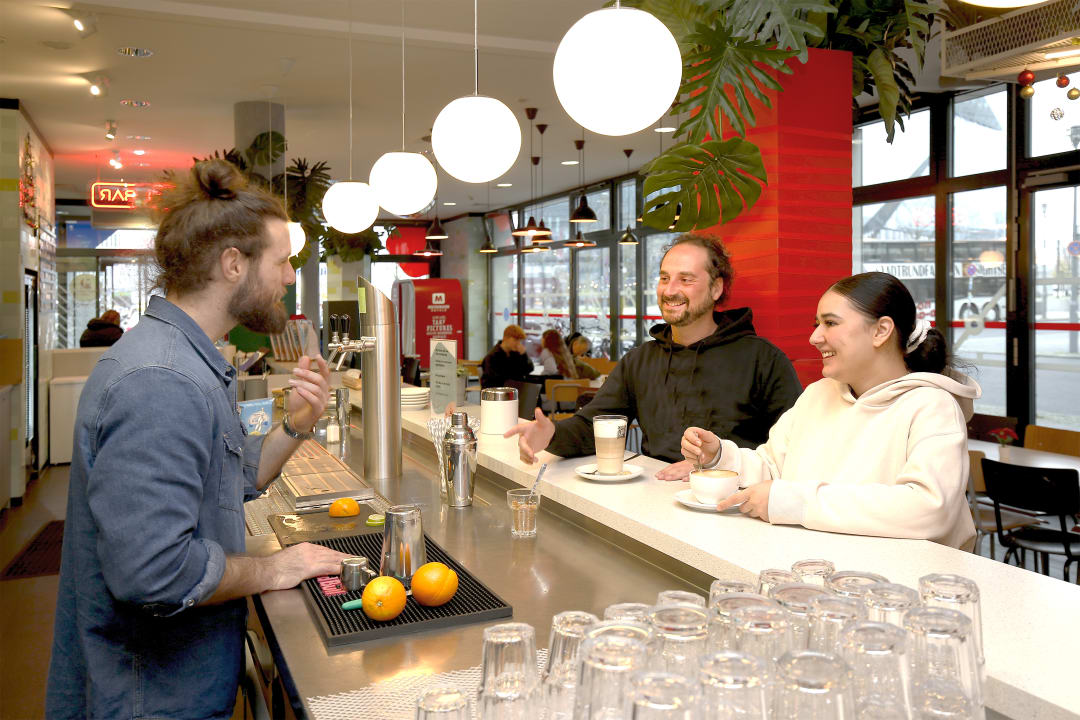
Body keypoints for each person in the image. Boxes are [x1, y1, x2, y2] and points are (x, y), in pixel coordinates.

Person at [46, 160, 352, 719]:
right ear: (233, 264)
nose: (288, 278)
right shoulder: (160, 382)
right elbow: (156, 573)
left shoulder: (185, 362)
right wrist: (274, 569)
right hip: (152, 699)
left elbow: (231, 480)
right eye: (281, 262)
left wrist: (296, 425)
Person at [680, 272, 980, 550]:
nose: (815, 337)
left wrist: (794, 503)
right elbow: (773, 469)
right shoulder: (817, 394)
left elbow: (929, 508)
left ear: (881, 331)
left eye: (831, 323)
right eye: (817, 324)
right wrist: (721, 456)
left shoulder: (932, 406)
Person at [506, 234, 802, 477]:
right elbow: (593, 426)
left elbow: (794, 449)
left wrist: (717, 465)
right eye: (664, 278)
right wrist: (551, 434)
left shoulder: (763, 360)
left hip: (734, 506)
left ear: (716, 288)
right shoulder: (640, 360)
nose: (670, 290)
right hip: (654, 498)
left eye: (686, 280)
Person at [481, 324, 534, 388]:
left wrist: (524, 355)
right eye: (515, 340)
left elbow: (529, 369)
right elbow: (497, 379)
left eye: (519, 341)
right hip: (497, 392)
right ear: (506, 338)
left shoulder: (515, 353)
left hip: (513, 389)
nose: (518, 343)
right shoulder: (492, 356)